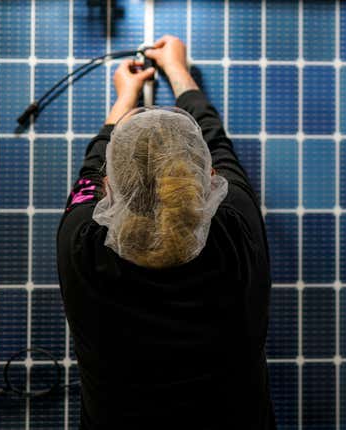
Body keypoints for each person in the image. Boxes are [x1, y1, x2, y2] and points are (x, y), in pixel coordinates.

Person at [57, 35, 276, 429]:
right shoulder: (236, 227)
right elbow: (218, 143)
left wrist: (126, 96)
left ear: (109, 188)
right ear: (211, 179)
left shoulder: (81, 243)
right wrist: (178, 71)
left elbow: (91, 167)